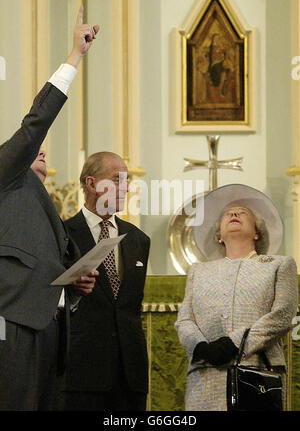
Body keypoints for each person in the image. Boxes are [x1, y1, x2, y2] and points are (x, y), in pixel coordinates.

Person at [0, 6, 100, 411]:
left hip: (53, 332)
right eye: (32, 152)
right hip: (15, 322)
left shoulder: (40, 202)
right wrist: (73, 56)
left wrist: (73, 289)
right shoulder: (6, 175)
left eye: (44, 153)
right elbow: (35, 124)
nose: (40, 150)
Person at [175, 184, 298, 411]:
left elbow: (282, 314)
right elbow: (184, 319)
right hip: (205, 376)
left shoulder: (279, 265)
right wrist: (200, 347)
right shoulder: (198, 271)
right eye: (227, 214)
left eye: (243, 212)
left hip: (257, 374)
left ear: (257, 232)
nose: (233, 214)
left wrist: (235, 343)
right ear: (219, 235)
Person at [62, 152, 150, 411]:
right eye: (117, 179)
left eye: (127, 180)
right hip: (82, 371)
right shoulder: (62, 234)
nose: (125, 187)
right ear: (91, 184)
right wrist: (72, 290)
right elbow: (49, 295)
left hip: (130, 375)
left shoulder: (138, 239)